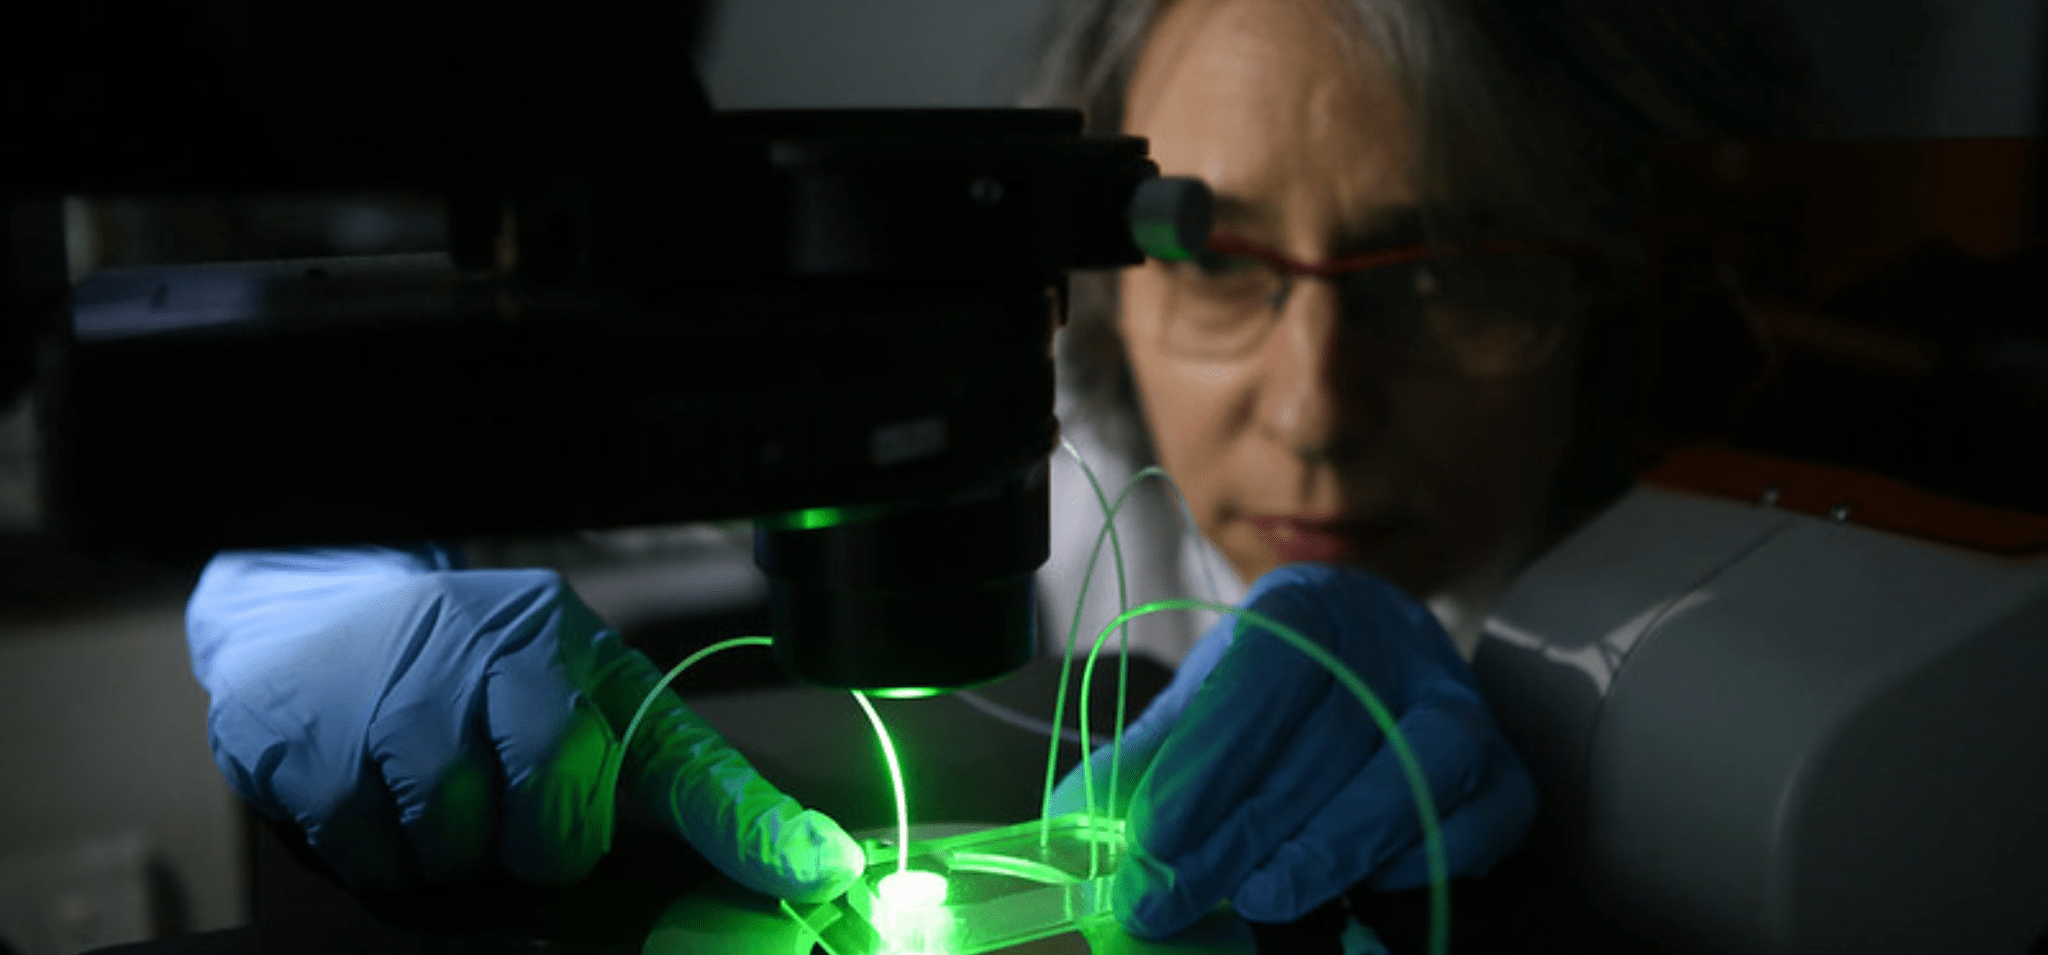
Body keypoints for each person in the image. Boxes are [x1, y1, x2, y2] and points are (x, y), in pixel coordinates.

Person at [184, 0, 1809, 943]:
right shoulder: (1057, 438)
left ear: (1614, 281)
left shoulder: (1782, 590)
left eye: (1450, 263)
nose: (1315, 406)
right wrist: (305, 587)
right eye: (1223, 262)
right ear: (1082, 278)